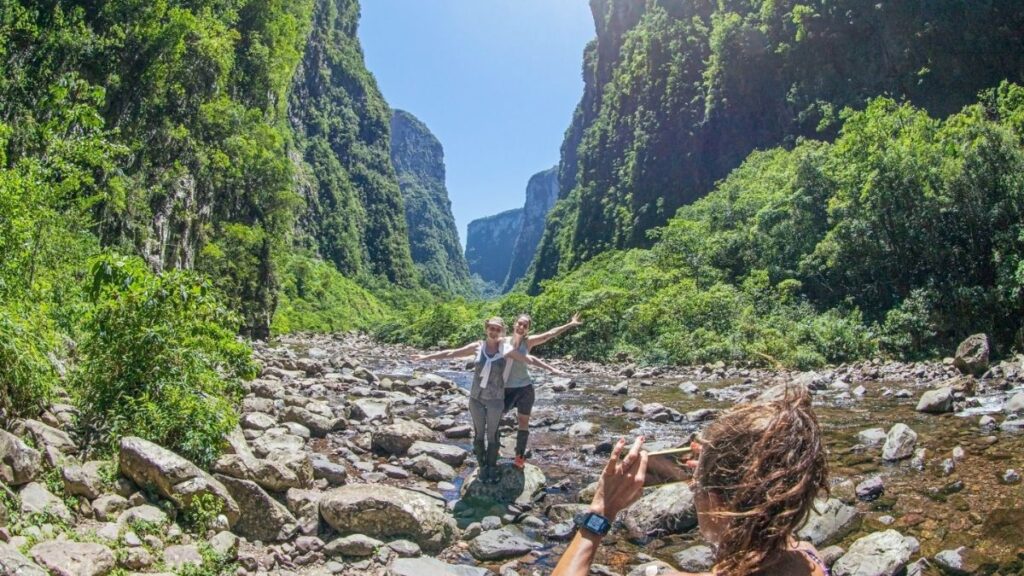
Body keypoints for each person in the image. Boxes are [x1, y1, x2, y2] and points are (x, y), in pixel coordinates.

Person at [552, 385, 829, 576]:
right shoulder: (809, 558)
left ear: (718, 505)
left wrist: (601, 512)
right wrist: (712, 484)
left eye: (697, 487)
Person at [412, 317, 565, 483]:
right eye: (491, 328)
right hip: (479, 397)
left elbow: (532, 356)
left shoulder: (506, 348)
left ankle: (499, 464)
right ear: (486, 329)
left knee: (497, 432)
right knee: (480, 433)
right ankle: (483, 466)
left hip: (502, 396)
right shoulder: (482, 346)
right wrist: (426, 357)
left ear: (502, 332)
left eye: (497, 329)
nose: (493, 331)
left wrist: (552, 368)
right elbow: (452, 353)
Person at [503, 313, 580, 468]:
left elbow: (549, 334)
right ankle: (491, 452)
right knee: (494, 418)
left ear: (527, 329)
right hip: (505, 389)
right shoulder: (502, 342)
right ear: (514, 324)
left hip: (525, 388)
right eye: (520, 323)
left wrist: (570, 324)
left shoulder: (528, 342)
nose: (522, 327)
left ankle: (519, 457)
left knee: (523, 422)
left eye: (525, 326)